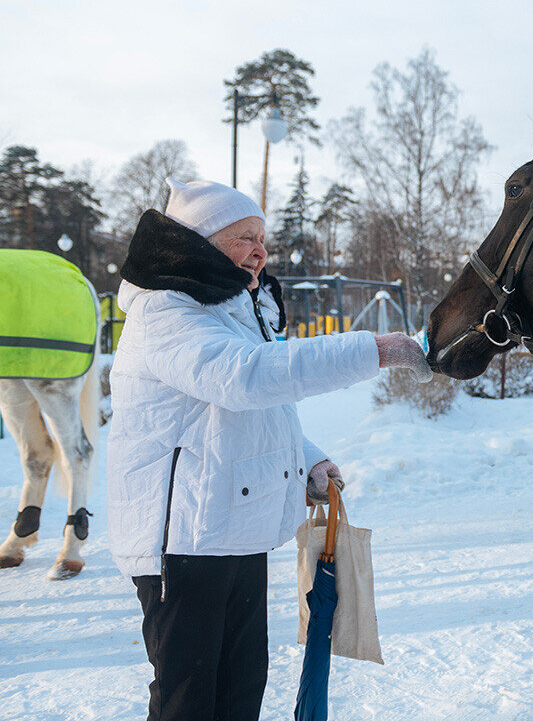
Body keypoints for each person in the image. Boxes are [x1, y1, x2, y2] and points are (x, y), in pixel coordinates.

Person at [107, 178, 431, 721]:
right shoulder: (165, 310)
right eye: (244, 238)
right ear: (201, 242)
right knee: (188, 700)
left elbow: (258, 409)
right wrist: (375, 349)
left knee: (240, 692)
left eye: (264, 238)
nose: (261, 251)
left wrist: (306, 460)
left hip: (233, 527)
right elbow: (245, 379)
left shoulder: (233, 310)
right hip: (182, 538)